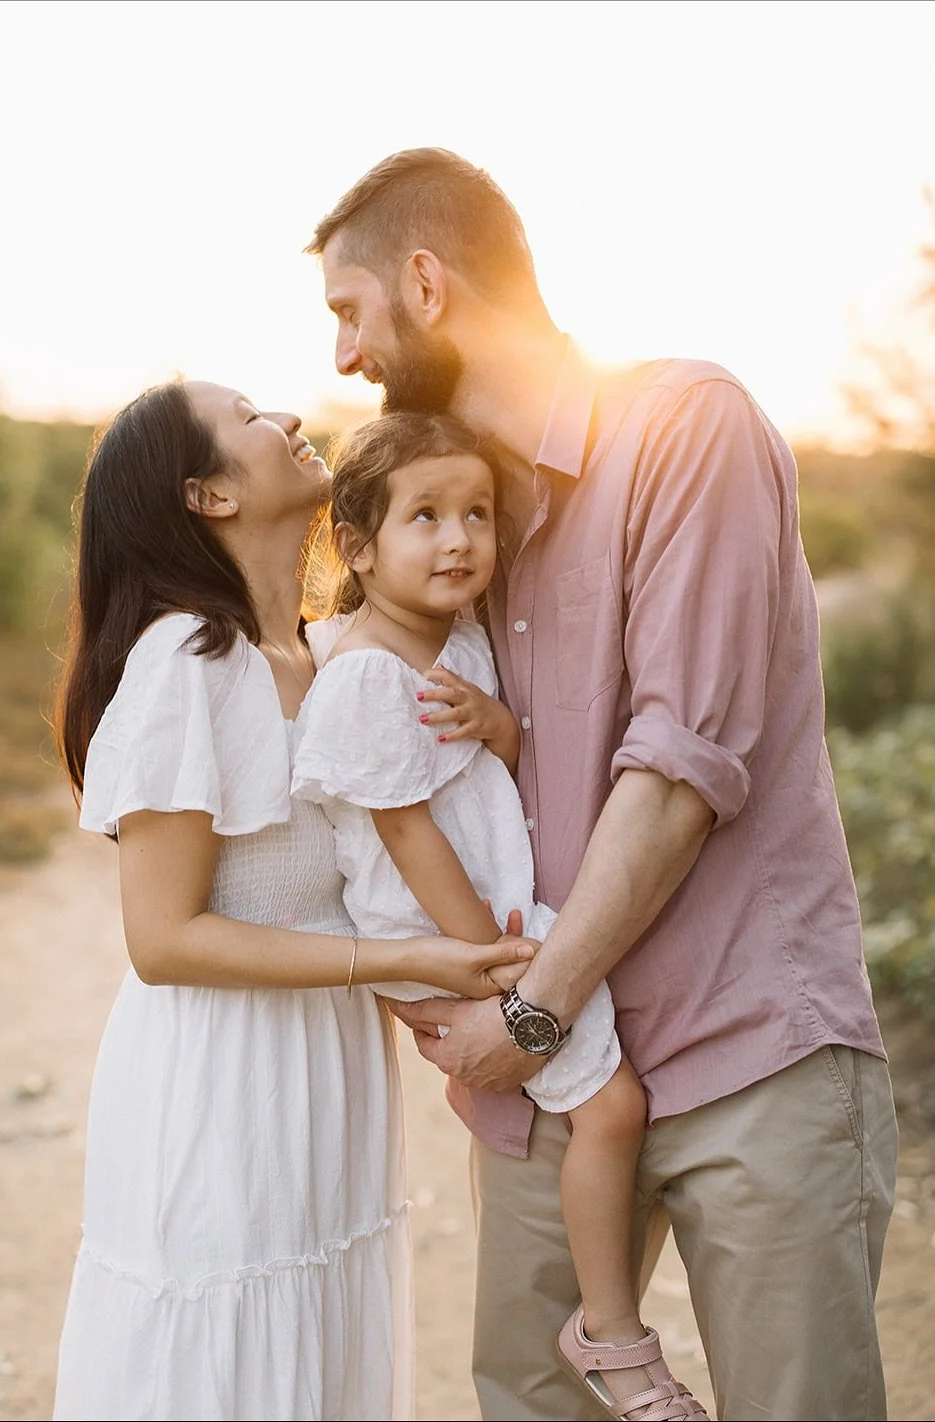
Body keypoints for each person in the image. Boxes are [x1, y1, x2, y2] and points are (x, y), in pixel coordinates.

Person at [305, 148, 899, 1422]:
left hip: (744, 1047)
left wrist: (528, 1016)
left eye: (349, 311)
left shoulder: (687, 428)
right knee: (531, 1399)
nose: (347, 354)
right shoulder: (459, 516)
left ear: (424, 281)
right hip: (555, 1085)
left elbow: (678, 770)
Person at [49, 378, 535, 1422]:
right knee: (230, 1355)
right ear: (208, 494)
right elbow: (163, 939)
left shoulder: (321, 652)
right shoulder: (189, 659)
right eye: (251, 419)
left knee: (318, 1346)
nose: (287, 418)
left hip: (325, 1065)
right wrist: (401, 965)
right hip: (226, 1077)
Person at [291, 410, 708, 1422]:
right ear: (355, 545)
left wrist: (502, 727)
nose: (457, 539)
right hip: (444, 933)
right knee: (610, 1108)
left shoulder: (466, 642)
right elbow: (406, 833)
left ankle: (601, 1315)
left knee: (591, 1098)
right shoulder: (361, 678)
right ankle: (608, 1335)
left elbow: (492, 786)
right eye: (423, 516)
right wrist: (488, 962)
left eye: (475, 513)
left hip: (487, 923)